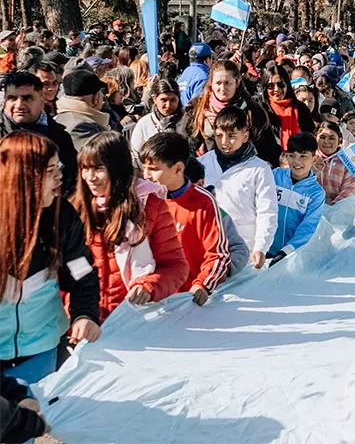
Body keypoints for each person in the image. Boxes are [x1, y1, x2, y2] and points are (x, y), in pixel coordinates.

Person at [0, 132, 100, 384]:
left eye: (59, 167)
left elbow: (81, 273)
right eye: (49, 170)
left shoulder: (62, 217)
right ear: (22, 176)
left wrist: (84, 315)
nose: (59, 176)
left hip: (41, 351)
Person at [71, 132, 189, 322]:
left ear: (117, 168)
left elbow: (176, 266)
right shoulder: (76, 209)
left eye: (98, 168)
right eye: (84, 168)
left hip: (134, 319)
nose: (90, 177)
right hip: (86, 321)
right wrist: (76, 312)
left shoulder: (149, 207)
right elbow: (69, 268)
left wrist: (148, 286)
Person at [139, 132, 231, 306]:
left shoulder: (203, 201)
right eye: (144, 168)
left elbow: (219, 254)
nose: (146, 175)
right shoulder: (142, 200)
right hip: (149, 300)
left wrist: (203, 284)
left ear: (178, 168)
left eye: (154, 169)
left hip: (188, 301)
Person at [199, 106, 278, 270]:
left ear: (245, 136)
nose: (224, 142)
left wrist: (261, 247)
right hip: (207, 244)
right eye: (219, 136)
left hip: (243, 248)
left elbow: (267, 211)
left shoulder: (260, 169)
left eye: (232, 136)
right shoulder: (203, 163)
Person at [183, 59, 282, 167]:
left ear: (237, 82)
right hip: (205, 169)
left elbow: (267, 148)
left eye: (227, 83)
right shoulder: (196, 108)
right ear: (211, 83)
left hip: (244, 170)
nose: (222, 88)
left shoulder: (251, 110)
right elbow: (184, 144)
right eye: (218, 83)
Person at [1, 72, 77, 196]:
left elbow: (71, 180)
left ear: (42, 100)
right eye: (12, 98)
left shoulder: (60, 137)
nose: (19, 105)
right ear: (4, 100)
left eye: (27, 98)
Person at [267, 133, 325, 266]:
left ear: (314, 158)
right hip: (262, 247)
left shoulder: (316, 193)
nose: (297, 161)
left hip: (287, 255)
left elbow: (308, 226)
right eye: (292, 155)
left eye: (303, 156)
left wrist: (287, 251)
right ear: (286, 155)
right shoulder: (275, 176)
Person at [184, 158, 248, 277]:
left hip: (203, 288)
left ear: (199, 184)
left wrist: (220, 272)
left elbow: (239, 250)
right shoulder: (160, 211)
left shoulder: (216, 214)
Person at [260, 65, 315, 150]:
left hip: (297, 159)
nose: (276, 89)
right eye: (271, 85)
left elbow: (310, 138)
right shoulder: (259, 108)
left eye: (280, 84)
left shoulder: (301, 108)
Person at [55, 69, 112, 151]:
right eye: (101, 92)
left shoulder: (60, 117)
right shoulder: (82, 127)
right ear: (95, 98)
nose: (103, 96)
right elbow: (94, 159)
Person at [129, 79, 184, 156]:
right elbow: (136, 153)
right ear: (154, 99)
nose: (168, 105)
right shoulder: (144, 123)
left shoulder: (186, 122)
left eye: (173, 100)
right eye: (163, 100)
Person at [313, 122, 355, 205]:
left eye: (331, 138)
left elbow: (350, 188)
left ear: (339, 141)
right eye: (322, 137)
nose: (326, 141)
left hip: (336, 211)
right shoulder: (309, 158)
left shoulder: (347, 162)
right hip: (311, 208)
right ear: (316, 138)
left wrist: (335, 205)